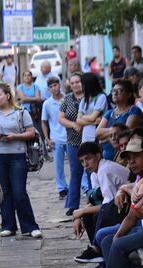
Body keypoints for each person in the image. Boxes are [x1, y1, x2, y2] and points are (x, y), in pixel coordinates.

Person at [81, 134, 143, 268]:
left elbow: (135, 212)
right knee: (106, 239)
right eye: (129, 158)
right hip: (141, 225)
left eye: (136, 156)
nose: (132, 162)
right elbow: (132, 200)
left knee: (116, 242)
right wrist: (123, 189)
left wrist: (119, 234)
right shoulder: (139, 176)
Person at [0, 83, 43, 238]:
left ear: (7, 96)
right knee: (4, 192)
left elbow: (31, 133)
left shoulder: (21, 112)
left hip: (17, 156)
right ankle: (8, 225)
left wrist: (15, 136)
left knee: (19, 192)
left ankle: (30, 226)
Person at [71, 142, 130, 258]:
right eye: (82, 161)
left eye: (88, 159)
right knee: (89, 216)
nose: (85, 164)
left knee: (99, 214)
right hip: (117, 207)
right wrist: (78, 215)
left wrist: (81, 211)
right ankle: (98, 252)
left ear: (98, 156)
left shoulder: (104, 169)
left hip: (127, 208)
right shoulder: (94, 173)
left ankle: (96, 249)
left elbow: (108, 206)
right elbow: (94, 200)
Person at [58, 72, 88, 216]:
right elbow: (61, 118)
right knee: (76, 173)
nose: (76, 85)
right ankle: (72, 205)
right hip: (72, 142)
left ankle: (94, 201)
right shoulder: (67, 99)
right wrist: (73, 125)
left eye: (78, 82)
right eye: (73, 82)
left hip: (88, 141)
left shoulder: (90, 97)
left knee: (91, 172)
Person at [94, 78, 143, 161]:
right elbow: (97, 133)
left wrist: (104, 137)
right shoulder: (109, 113)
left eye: (120, 90)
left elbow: (125, 132)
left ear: (128, 94)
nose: (115, 93)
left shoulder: (134, 110)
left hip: (126, 158)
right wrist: (114, 132)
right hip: (107, 159)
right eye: (113, 90)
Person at [41, 76, 68, 200]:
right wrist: (47, 138)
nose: (54, 88)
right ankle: (62, 188)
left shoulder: (68, 99)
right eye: (51, 87)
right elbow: (44, 122)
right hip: (56, 137)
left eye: (55, 85)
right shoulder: (47, 104)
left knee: (77, 164)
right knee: (58, 166)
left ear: (59, 85)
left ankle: (82, 186)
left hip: (70, 136)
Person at [76, 73, 108, 145]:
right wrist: (93, 121)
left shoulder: (101, 97)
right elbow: (78, 120)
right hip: (85, 137)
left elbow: (92, 117)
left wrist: (83, 117)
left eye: (81, 83)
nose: (80, 85)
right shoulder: (84, 100)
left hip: (97, 136)